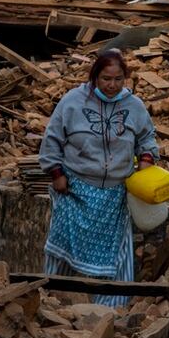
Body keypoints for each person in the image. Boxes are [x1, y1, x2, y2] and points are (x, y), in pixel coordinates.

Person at [39, 49, 159, 308]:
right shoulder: (73, 102)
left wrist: (146, 162)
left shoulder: (133, 106)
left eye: (118, 79)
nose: (112, 85)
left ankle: (110, 309)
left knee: (117, 252)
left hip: (115, 194)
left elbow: (147, 138)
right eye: (106, 79)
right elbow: (52, 139)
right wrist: (56, 173)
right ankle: (53, 299)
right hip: (75, 189)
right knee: (63, 245)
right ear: (94, 76)